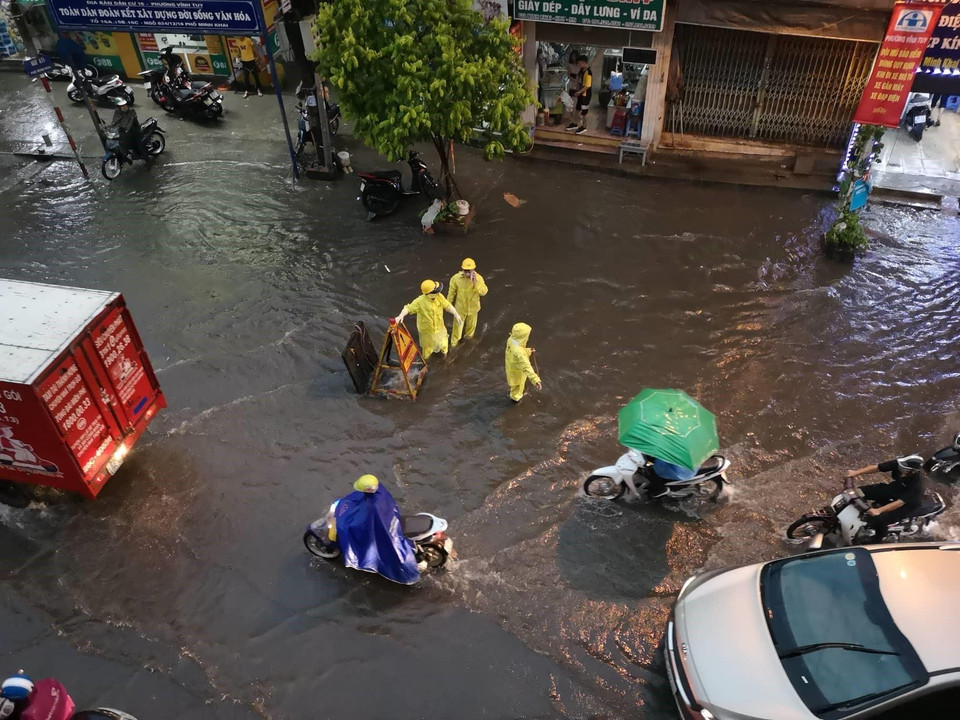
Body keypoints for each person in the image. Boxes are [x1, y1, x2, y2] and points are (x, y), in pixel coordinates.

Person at [333, 475, 420, 584]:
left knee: (379, 547)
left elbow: (366, 522)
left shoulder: (374, 507)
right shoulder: (380, 492)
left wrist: (351, 524)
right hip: (392, 520)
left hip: (388, 530)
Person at [845, 455, 926, 540]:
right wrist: (855, 473)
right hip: (896, 489)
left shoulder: (918, 484)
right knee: (861, 491)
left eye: (904, 469)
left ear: (912, 471)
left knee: (880, 519)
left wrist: (878, 511)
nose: (900, 470)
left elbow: (900, 502)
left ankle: (879, 539)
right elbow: (877, 467)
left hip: (907, 504)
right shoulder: (899, 464)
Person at [396, 280, 462, 360]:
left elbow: (447, 306)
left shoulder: (439, 297)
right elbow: (408, 308)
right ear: (429, 294)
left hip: (440, 328)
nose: (438, 293)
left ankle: (445, 357)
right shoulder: (419, 302)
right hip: (427, 331)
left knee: (444, 344)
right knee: (427, 350)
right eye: (436, 292)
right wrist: (400, 316)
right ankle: (427, 362)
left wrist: (456, 314)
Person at [448, 258, 488, 348]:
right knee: (457, 330)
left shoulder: (479, 279)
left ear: (473, 270)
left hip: (473, 309)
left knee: (470, 330)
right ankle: (454, 345)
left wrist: (475, 283)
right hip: (460, 309)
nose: (467, 273)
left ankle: (468, 343)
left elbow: (484, 292)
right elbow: (451, 293)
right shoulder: (456, 278)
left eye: (469, 271)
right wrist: (448, 306)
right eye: (465, 271)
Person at [504, 322, 541, 403]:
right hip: (518, 373)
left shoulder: (511, 340)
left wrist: (528, 351)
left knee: (514, 385)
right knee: (518, 388)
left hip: (511, 367)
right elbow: (526, 366)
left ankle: (514, 394)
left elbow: (517, 351)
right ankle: (516, 399)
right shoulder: (520, 352)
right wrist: (535, 380)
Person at [107, 96, 147, 161]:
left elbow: (129, 123)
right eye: (122, 106)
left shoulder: (131, 112)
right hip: (124, 131)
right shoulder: (117, 112)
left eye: (124, 105)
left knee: (139, 145)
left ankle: (147, 160)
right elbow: (115, 121)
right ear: (118, 107)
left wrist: (126, 129)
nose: (124, 107)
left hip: (134, 130)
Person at [566, 56, 592, 135]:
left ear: (584, 63)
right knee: (577, 109)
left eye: (580, 63)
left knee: (584, 112)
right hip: (581, 93)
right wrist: (576, 87)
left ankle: (584, 126)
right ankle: (575, 123)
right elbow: (577, 78)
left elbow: (587, 86)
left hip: (585, 95)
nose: (578, 64)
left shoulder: (588, 72)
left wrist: (579, 92)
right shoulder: (581, 70)